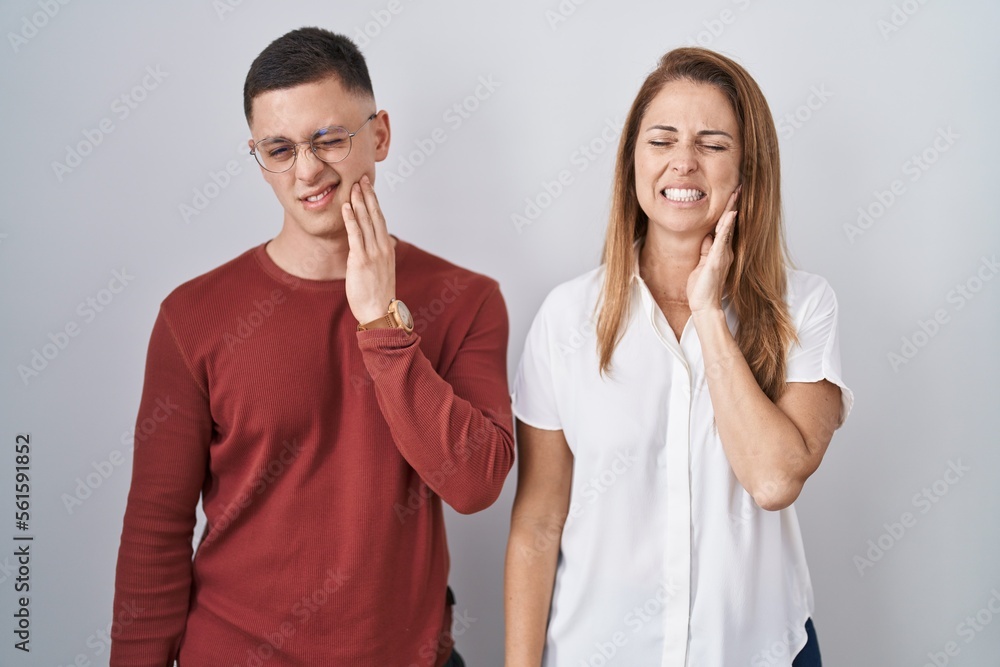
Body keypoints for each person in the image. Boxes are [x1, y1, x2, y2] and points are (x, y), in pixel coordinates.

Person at [111, 27, 513, 667]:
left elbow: (475, 484)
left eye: (328, 139)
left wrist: (384, 325)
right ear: (259, 155)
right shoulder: (192, 315)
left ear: (378, 135)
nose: (307, 170)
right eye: (279, 148)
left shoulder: (467, 299)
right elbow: (154, 533)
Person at [504, 47, 853, 666]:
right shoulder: (565, 317)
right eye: (661, 140)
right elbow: (537, 526)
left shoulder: (804, 307)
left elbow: (773, 480)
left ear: (749, 167)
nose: (682, 162)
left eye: (713, 144)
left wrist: (709, 315)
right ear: (632, 161)